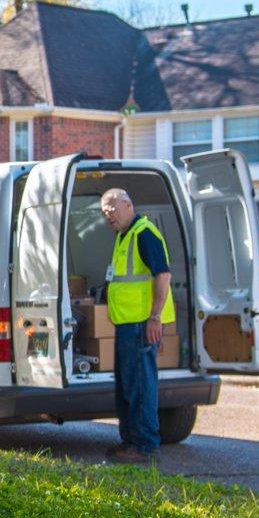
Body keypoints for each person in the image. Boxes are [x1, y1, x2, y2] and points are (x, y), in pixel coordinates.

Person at [100, 187, 172, 463]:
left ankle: (144, 444)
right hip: (127, 323)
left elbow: (162, 276)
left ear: (128, 205)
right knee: (127, 385)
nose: (109, 217)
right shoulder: (123, 236)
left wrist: (155, 317)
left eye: (112, 210)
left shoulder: (144, 234)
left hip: (141, 324)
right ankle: (130, 440)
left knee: (140, 384)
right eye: (105, 213)